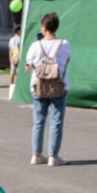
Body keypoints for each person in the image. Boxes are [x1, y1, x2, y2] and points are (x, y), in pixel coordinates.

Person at [25, 12, 71, 166]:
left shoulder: (35, 45)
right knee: (56, 121)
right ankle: (53, 156)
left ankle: (36, 155)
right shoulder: (64, 44)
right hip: (59, 86)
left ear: (43, 27)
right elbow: (67, 61)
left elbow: (27, 67)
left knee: (38, 121)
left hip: (38, 87)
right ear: (56, 27)